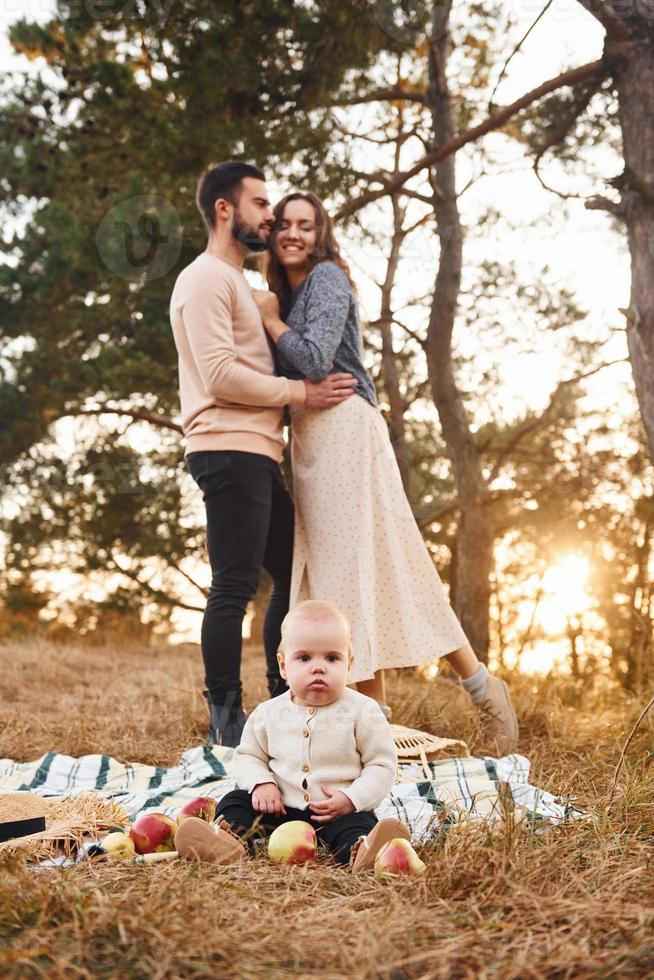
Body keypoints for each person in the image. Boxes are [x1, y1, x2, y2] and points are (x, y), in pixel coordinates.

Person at [252, 191, 518, 756]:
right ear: (273, 236)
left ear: (320, 235)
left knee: (352, 576)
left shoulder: (324, 279)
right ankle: (423, 704)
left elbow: (317, 359)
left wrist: (272, 321)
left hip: (346, 431)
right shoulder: (286, 290)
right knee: (364, 572)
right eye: (285, 226)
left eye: (307, 225)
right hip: (310, 441)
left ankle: (396, 716)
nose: (294, 234)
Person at [169, 163, 359, 747]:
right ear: (225, 210)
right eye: (260, 203)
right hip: (226, 447)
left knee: (289, 572)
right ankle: (227, 725)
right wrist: (301, 393)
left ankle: (280, 703)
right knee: (232, 584)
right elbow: (221, 374)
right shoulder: (203, 278)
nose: (271, 216)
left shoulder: (238, 286)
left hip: (255, 450)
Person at [174, 600, 420, 871]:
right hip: (277, 809)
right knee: (236, 801)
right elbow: (248, 756)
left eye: (332, 658)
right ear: (283, 666)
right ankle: (227, 842)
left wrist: (352, 799)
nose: (318, 667)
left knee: (357, 824)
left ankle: (365, 849)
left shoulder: (363, 711)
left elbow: (382, 765)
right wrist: (261, 784)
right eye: (304, 658)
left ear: (348, 665)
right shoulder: (268, 712)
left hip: (335, 813)